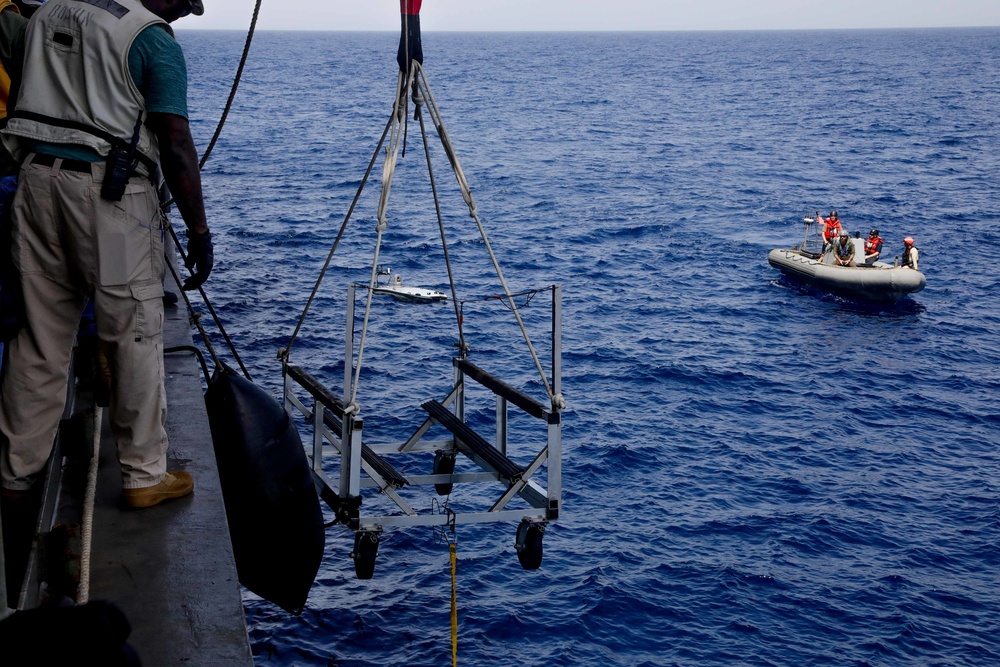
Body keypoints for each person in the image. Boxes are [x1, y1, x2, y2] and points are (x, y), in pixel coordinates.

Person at [0, 0, 213, 508]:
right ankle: (144, 475)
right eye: (184, 3)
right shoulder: (152, 40)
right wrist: (199, 231)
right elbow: (176, 141)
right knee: (133, 331)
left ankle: (15, 473)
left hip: (34, 184)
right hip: (108, 199)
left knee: (40, 337)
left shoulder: (47, 13)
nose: (183, 14)